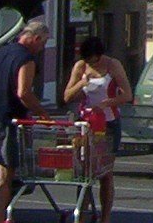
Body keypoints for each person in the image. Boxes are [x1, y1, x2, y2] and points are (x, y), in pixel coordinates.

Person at [0, 21, 51, 223]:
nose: (42, 48)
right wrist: (42, 113)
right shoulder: (27, 59)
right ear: (36, 38)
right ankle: (0, 217)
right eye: (43, 43)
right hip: (7, 119)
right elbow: (24, 92)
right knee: (5, 171)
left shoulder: (1, 51)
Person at [64, 37, 132, 223]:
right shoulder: (80, 67)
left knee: (105, 173)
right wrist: (81, 83)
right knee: (84, 171)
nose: (91, 63)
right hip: (86, 123)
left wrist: (108, 103)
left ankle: (105, 217)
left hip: (108, 122)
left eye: (93, 60)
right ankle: (82, 213)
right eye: (87, 60)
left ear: (100, 55)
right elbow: (67, 96)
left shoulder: (113, 65)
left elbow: (127, 94)